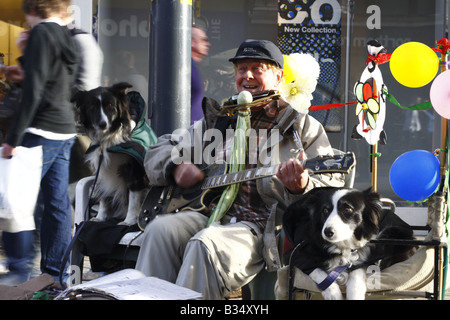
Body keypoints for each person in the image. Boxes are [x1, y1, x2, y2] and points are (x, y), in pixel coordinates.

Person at [135, 39, 345, 299]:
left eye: (258, 68)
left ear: (278, 76)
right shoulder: (220, 121)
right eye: (241, 69)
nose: (247, 76)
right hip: (207, 215)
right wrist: (175, 166)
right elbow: (159, 148)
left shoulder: (302, 127)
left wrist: (301, 187)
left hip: (260, 229)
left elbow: (332, 190)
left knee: (206, 243)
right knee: (159, 231)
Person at [0, 0, 78, 285]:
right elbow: (54, 82)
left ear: (34, 9)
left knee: (17, 199)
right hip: (64, 130)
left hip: (40, 130)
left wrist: (13, 138)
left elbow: (34, 91)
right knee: (56, 206)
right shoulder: (65, 36)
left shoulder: (41, 34)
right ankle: (55, 275)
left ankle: (19, 270)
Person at [190, 26, 210, 124]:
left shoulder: (193, 67)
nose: (207, 44)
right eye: (203, 40)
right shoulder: (185, 70)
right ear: (192, 42)